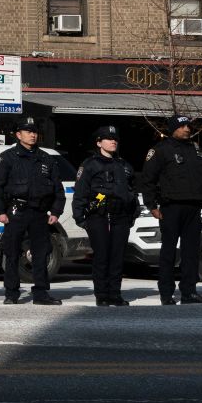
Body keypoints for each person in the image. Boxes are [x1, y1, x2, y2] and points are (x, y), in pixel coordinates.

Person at [140, 114, 202, 305]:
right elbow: (147, 180)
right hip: (171, 207)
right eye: (183, 127)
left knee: (191, 252)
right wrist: (152, 206)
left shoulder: (198, 151)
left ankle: (189, 292)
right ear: (173, 128)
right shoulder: (161, 150)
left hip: (194, 208)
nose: (187, 129)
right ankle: (166, 293)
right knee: (168, 251)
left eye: (188, 126)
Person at [0, 116, 65, 305]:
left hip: (39, 212)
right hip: (16, 210)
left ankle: (41, 293)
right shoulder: (7, 158)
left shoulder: (45, 158)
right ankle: (11, 293)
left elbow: (57, 188)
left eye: (34, 132)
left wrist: (56, 211)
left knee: (41, 253)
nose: (32, 135)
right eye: (28, 131)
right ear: (18, 134)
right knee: (12, 252)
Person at [73, 125, 139, 307]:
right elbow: (81, 192)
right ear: (98, 142)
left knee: (117, 257)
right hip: (99, 216)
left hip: (121, 217)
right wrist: (81, 218)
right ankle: (101, 294)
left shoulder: (124, 165)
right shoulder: (90, 164)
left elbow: (132, 191)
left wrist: (133, 213)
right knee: (102, 257)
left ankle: (115, 294)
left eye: (115, 139)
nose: (113, 141)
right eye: (108, 139)